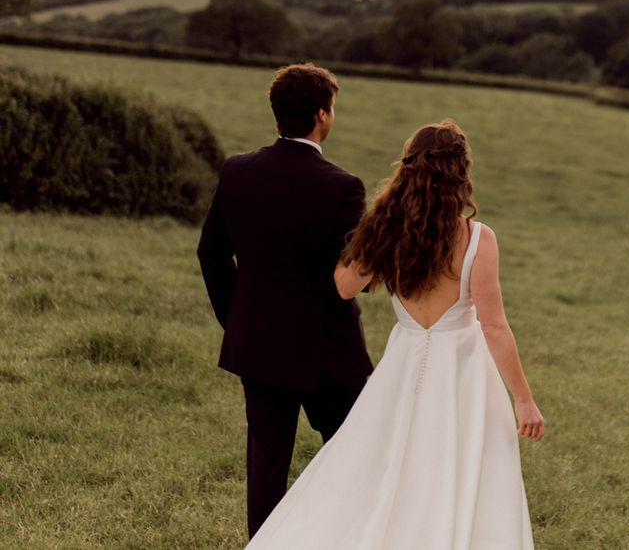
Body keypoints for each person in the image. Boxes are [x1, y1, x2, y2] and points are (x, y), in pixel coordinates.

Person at [245, 119, 544, 550]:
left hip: (401, 367)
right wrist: (523, 399)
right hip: (463, 373)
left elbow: (344, 286)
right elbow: (494, 327)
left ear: (409, 170)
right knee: (460, 473)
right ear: (460, 173)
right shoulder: (478, 239)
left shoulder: (385, 227)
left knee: (383, 467)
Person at [197, 63, 374, 539]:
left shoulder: (237, 170)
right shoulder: (343, 186)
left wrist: (238, 320)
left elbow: (211, 253)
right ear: (322, 114)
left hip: (258, 348)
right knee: (357, 454)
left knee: (267, 468)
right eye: (332, 107)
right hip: (329, 354)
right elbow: (353, 272)